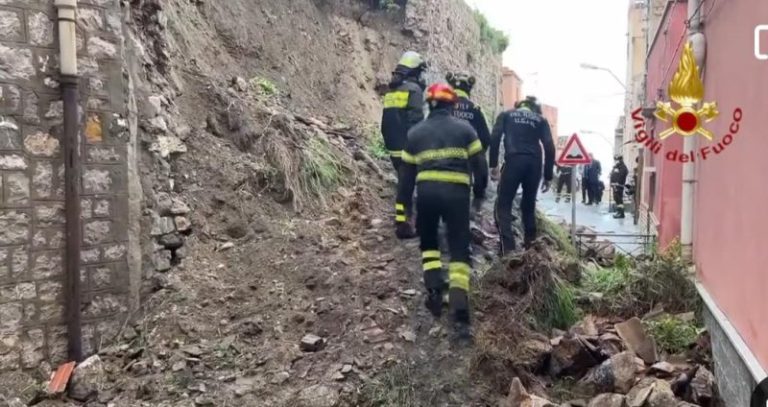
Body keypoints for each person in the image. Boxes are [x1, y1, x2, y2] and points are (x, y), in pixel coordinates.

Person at [395, 83, 488, 340]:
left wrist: (402, 217)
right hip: (457, 196)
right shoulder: (466, 130)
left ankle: (434, 291)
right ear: (452, 104)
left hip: (427, 196)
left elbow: (405, 182)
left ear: (429, 104)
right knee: (459, 251)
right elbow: (480, 168)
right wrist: (479, 195)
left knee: (430, 245)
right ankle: (459, 315)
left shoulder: (415, 134)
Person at [489, 96, 555, 255]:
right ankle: (531, 246)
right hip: (534, 165)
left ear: (519, 106)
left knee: (503, 204)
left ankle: (509, 249)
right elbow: (549, 146)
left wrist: (493, 165)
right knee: (529, 205)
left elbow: (495, 136)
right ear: (534, 109)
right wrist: (548, 176)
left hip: (514, 161)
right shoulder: (541, 120)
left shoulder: (506, 115)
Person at [382, 51, 428, 238]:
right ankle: (404, 225)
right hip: (408, 148)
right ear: (414, 72)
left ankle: (402, 220)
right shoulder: (414, 91)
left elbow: (386, 122)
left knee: (403, 186)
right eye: (420, 72)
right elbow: (416, 121)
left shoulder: (393, 91)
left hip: (394, 147)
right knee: (407, 188)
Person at [445, 72, 491, 152]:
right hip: (469, 160)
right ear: (469, 89)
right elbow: (485, 139)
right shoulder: (476, 109)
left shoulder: (442, 107)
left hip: (444, 160)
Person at [610, 154, 629, 219]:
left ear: (620, 160)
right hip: (614, 185)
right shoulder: (616, 166)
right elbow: (613, 174)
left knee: (619, 199)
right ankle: (618, 212)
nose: (615, 161)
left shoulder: (623, 167)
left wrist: (617, 183)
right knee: (616, 199)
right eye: (615, 160)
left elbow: (621, 176)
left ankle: (621, 213)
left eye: (616, 160)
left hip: (619, 185)